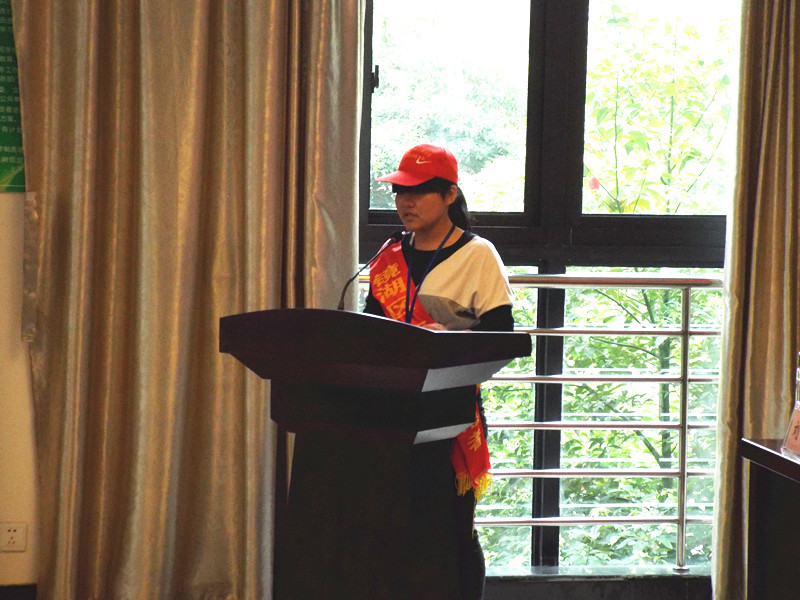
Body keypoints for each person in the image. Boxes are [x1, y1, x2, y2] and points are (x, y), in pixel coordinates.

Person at [364, 143, 514, 600]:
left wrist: (447, 338)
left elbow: (502, 337)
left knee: (451, 531)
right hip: (390, 414)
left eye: (419, 192)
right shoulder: (389, 254)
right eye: (400, 192)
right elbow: (369, 331)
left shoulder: (478, 254)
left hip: (449, 414)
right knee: (394, 531)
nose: (405, 202)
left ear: (450, 195)